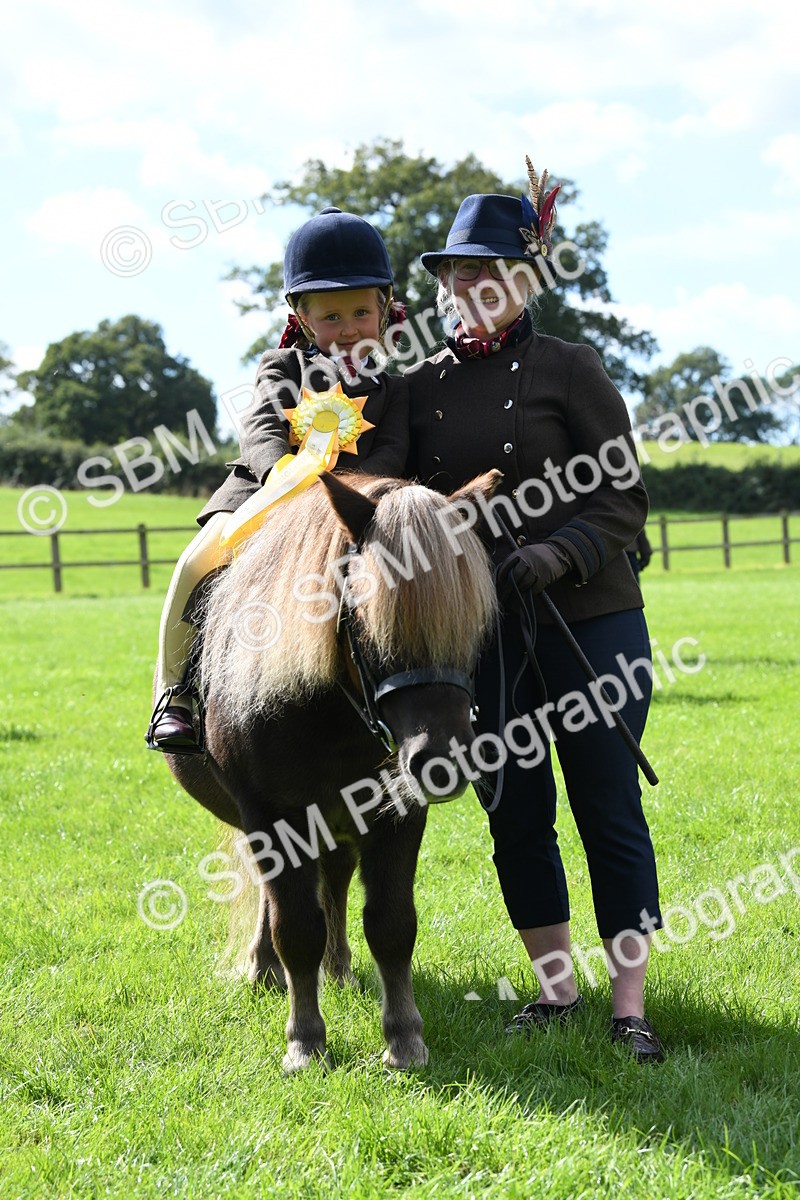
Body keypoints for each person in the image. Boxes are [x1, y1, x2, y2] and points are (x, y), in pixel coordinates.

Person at [405, 172, 664, 1062]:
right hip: (481, 629)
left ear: (524, 279)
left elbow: (625, 496)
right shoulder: (418, 385)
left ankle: (629, 1005)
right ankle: (556, 991)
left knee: (607, 803)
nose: (469, 292)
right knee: (514, 810)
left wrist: (560, 551)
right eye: (454, 278)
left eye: (490, 275)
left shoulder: (571, 368)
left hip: (590, 619)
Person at [146, 207, 409, 753]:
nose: (348, 329)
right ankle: (179, 693)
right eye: (331, 317)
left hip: (358, 508)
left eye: (360, 312)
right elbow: (264, 427)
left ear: (384, 307)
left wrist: (346, 495)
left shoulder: (396, 386)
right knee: (194, 563)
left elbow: (393, 450)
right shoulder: (282, 365)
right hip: (264, 497)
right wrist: (284, 480)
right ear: (302, 314)